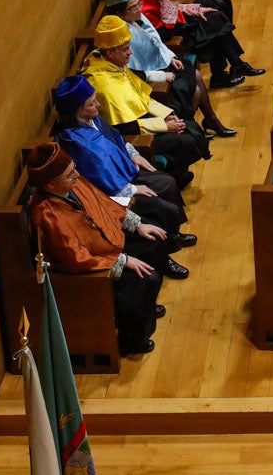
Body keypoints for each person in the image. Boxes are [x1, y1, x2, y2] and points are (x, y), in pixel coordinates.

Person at [26, 143, 177, 356]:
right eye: (70, 174)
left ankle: (145, 307)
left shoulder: (73, 184)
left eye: (74, 167)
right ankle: (132, 338)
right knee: (146, 279)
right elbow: (72, 257)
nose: (77, 174)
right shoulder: (46, 215)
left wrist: (138, 225)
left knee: (155, 240)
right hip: (91, 267)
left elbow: (104, 204)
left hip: (105, 242)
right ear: (51, 183)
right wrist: (123, 261)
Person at [52, 75, 194, 242]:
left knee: (167, 181)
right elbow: (98, 173)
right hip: (113, 191)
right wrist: (133, 189)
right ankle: (170, 240)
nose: (98, 105)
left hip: (125, 171)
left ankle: (174, 232)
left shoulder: (93, 119)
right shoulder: (75, 140)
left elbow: (116, 137)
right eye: (91, 103)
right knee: (159, 199)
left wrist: (134, 154)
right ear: (77, 110)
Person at [112, 0, 238, 136]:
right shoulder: (123, 33)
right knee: (193, 87)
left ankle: (207, 121)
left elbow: (154, 38)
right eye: (134, 6)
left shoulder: (136, 14)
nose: (139, 8)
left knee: (195, 73)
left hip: (163, 61)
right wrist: (164, 74)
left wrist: (170, 57)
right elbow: (137, 67)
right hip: (151, 79)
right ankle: (192, 126)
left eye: (138, 4)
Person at [80, 15, 209, 181]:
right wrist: (164, 126)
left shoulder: (111, 62)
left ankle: (179, 172)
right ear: (111, 52)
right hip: (133, 133)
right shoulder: (103, 84)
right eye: (126, 49)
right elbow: (126, 127)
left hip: (140, 119)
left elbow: (139, 94)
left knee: (188, 125)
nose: (130, 53)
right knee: (185, 140)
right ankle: (176, 177)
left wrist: (165, 115)